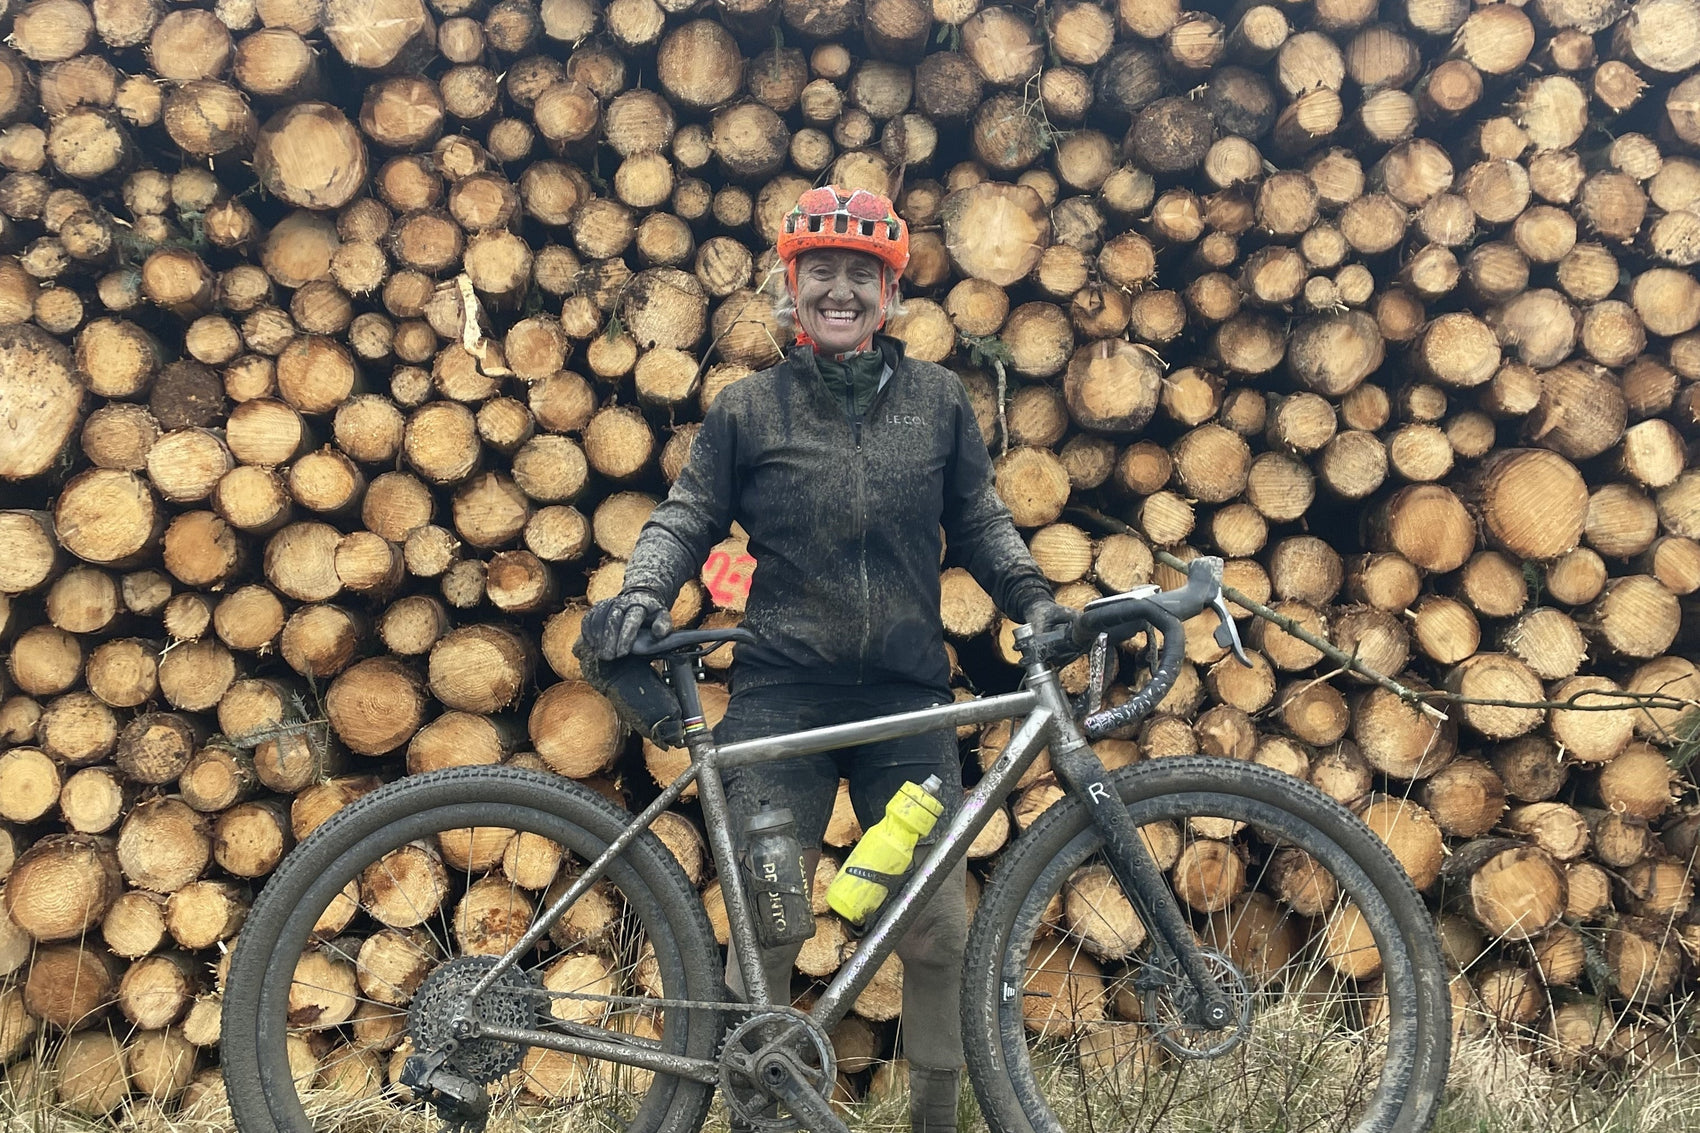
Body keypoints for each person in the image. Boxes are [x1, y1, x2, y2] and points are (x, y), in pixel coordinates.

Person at [579, 185, 1077, 1133]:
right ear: (791, 286)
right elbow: (687, 517)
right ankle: (751, 1116)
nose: (840, 290)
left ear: (890, 296)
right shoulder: (748, 408)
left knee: (936, 932)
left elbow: (977, 521)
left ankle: (936, 1121)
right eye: (822, 273)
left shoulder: (936, 402)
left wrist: (1035, 600)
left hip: (907, 698)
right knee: (767, 926)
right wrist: (644, 590)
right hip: (780, 696)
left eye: (863, 275)